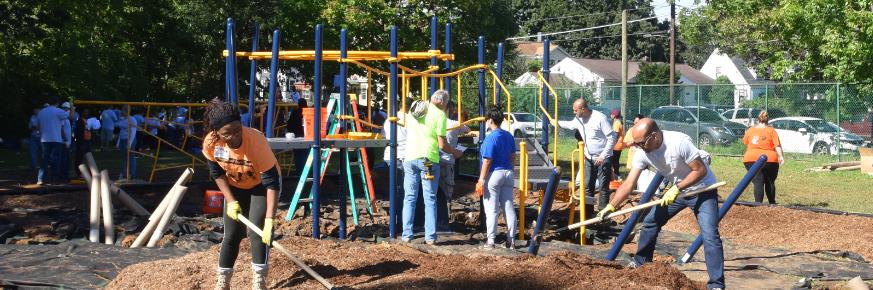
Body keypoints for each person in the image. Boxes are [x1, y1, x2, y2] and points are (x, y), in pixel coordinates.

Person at [597, 118, 724, 290]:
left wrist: (677, 188)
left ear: (654, 136)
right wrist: (611, 206)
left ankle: (716, 284)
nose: (639, 146)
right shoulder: (642, 151)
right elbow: (629, 184)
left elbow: (700, 170)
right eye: (636, 143)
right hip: (679, 191)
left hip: (702, 190)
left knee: (710, 235)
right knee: (650, 222)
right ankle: (641, 264)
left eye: (641, 143)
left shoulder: (679, 142)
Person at [202, 98, 280, 290]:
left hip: (261, 186)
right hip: (235, 186)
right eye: (227, 134)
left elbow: (272, 183)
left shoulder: (256, 140)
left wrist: (269, 219)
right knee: (232, 235)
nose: (234, 136)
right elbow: (217, 174)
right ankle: (223, 282)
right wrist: (231, 201)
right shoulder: (211, 143)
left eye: (237, 130)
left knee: (257, 232)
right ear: (216, 132)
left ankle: (259, 281)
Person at [402, 90, 463, 244]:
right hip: (427, 160)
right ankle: (430, 237)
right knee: (429, 198)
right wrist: (455, 152)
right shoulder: (440, 115)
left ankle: (406, 234)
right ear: (443, 102)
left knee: (409, 197)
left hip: (409, 158)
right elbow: (442, 144)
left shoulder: (416, 107)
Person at [475, 106, 517, 249]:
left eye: (487, 120)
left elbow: (487, 160)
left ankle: (491, 241)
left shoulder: (490, 138)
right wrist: (510, 170)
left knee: (491, 209)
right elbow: (513, 156)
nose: (486, 122)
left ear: (491, 120)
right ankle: (511, 241)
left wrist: (481, 179)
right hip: (508, 173)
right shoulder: (509, 136)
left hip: (494, 174)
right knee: (508, 207)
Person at [568, 99, 616, 210]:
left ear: (583, 109)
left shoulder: (600, 118)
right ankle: (588, 212)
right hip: (589, 157)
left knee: (603, 186)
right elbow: (569, 125)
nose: (574, 113)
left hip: (603, 158)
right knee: (587, 185)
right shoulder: (578, 119)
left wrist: (603, 156)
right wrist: (554, 121)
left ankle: (602, 211)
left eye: (575, 110)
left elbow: (612, 137)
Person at [437, 104, 470, 231]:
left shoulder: (432, 123)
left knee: (433, 191)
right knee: (447, 190)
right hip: (448, 161)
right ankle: (445, 221)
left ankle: (436, 220)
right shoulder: (453, 124)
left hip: (433, 160)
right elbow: (467, 129)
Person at [742, 110, 784, 204]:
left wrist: (747, 132)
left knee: (758, 181)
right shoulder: (771, 130)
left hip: (751, 158)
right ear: (768, 120)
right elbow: (777, 145)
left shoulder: (751, 130)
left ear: (758, 119)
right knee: (770, 181)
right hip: (770, 159)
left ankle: (758, 204)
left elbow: (745, 142)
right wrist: (781, 156)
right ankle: (772, 203)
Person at [36, 96, 72, 185]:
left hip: (44, 139)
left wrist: (41, 134)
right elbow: (71, 116)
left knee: (45, 159)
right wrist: (72, 107)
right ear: (57, 103)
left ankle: (40, 179)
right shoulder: (58, 111)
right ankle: (54, 178)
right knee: (56, 160)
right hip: (56, 139)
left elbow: (38, 126)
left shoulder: (42, 112)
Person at [115, 105, 139, 180]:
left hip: (129, 140)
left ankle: (132, 175)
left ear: (126, 111)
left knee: (131, 158)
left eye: (122, 110)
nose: (121, 111)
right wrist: (118, 142)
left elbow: (133, 132)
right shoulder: (122, 119)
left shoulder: (132, 119)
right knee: (123, 158)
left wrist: (130, 143)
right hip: (122, 140)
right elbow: (121, 131)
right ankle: (124, 174)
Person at [59, 102, 73, 182]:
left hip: (66, 142)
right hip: (64, 142)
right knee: (64, 159)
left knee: (66, 159)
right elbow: (61, 130)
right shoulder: (63, 118)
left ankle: (65, 175)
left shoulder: (66, 118)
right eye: (67, 109)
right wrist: (65, 140)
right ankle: (63, 176)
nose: (68, 110)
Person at [610, 109, 625, 179]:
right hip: (619, 144)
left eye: (611, 114)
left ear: (614, 115)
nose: (610, 115)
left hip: (616, 145)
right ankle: (616, 174)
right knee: (615, 160)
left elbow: (615, 135)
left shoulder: (616, 123)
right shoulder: (618, 122)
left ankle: (616, 175)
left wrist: (611, 144)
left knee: (614, 161)